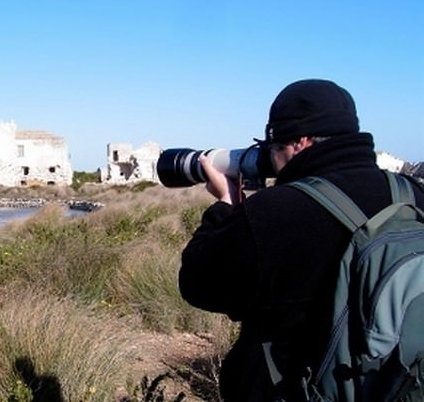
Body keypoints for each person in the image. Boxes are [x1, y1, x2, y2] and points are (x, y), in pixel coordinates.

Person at [178, 79, 424, 401]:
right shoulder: (412, 193)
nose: (271, 159)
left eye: (274, 148)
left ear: (300, 142)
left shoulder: (275, 212)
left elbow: (198, 284)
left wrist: (226, 205)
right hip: (400, 385)